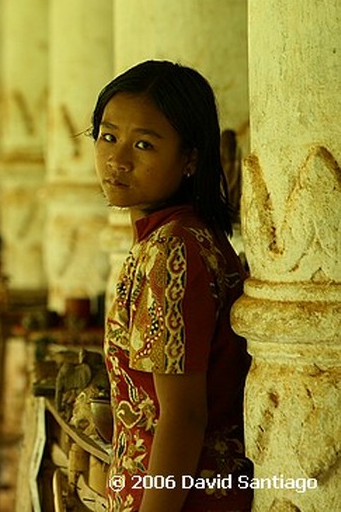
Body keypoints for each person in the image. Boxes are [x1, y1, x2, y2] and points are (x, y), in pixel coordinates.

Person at [92, 60, 252, 511]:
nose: (117, 160)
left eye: (144, 145)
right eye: (108, 136)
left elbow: (182, 417)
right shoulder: (181, 235)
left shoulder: (172, 252)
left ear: (190, 159)